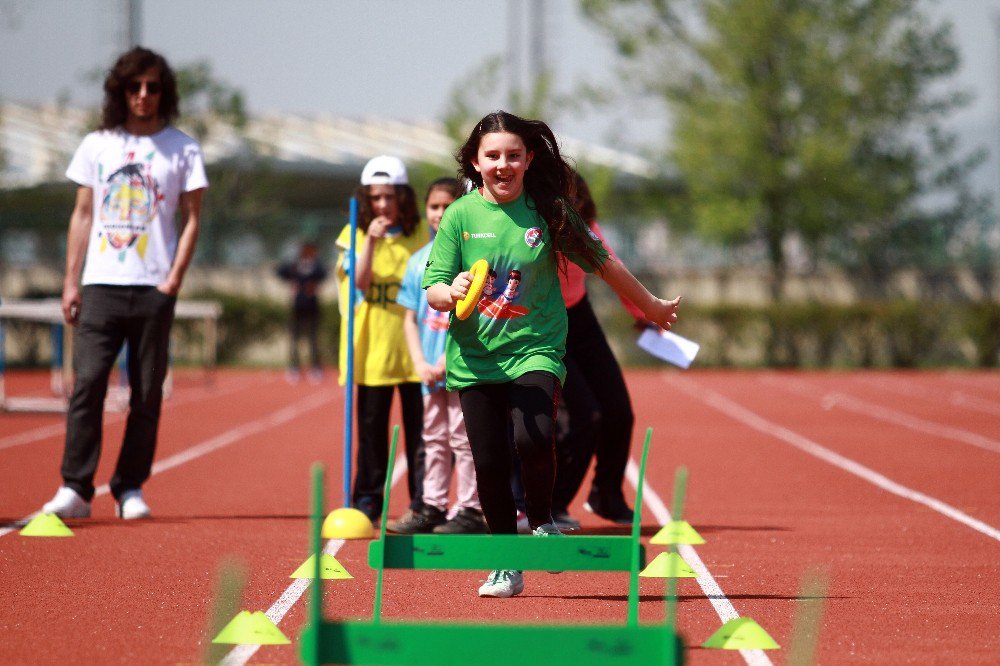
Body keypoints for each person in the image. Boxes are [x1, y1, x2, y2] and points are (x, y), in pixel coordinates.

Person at [422, 111, 681, 598]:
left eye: (513, 155)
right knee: (491, 466)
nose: (503, 164)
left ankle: (542, 521)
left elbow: (603, 262)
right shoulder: (459, 216)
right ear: (475, 163)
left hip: (535, 349)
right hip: (475, 359)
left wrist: (650, 305)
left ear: (529, 159)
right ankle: (505, 564)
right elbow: (433, 285)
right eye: (492, 156)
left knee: (536, 435)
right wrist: (450, 289)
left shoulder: (549, 211)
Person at [41, 46, 208, 520]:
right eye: (134, 87)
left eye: (153, 87)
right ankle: (75, 487)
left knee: (147, 391)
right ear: (120, 91)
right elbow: (83, 212)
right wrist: (70, 281)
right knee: (88, 382)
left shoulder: (182, 148)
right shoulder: (98, 144)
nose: (143, 95)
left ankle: (130, 487)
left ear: (164, 93)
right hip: (101, 284)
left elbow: (193, 218)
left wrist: (173, 279)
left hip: (154, 286)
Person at [387, 177, 488, 535]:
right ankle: (431, 504)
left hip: (461, 367)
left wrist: (447, 360)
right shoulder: (417, 262)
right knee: (433, 437)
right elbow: (410, 318)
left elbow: (476, 315)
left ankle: (470, 508)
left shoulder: (471, 257)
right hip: (429, 371)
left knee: (464, 438)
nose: (440, 213)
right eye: (434, 206)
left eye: (448, 206)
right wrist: (420, 362)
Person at [551, 173, 647, 529]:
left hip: (580, 317)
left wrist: (643, 313)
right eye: (564, 200)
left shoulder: (586, 227)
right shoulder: (536, 229)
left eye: (577, 201)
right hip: (546, 325)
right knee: (585, 416)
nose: (572, 208)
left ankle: (606, 494)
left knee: (619, 412)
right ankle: (553, 503)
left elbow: (613, 268)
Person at [336, 155, 429, 523]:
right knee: (371, 430)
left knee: (423, 433)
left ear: (403, 197)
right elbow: (359, 283)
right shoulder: (353, 233)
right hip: (373, 348)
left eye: (389, 197)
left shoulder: (421, 233)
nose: (382, 205)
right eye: (375, 198)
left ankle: (424, 500)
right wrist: (371, 242)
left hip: (415, 349)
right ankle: (368, 499)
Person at [277, 239, 328, 384]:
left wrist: (314, 284)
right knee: (294, 339)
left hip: (312, 306)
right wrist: (292, 282)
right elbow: (281, 271)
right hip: (297, 306)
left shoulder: (316, 266)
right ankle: (294, 368)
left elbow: (324, 273)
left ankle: (315, 368)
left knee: (313, 339)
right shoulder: (295, 266)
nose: (308, 254)